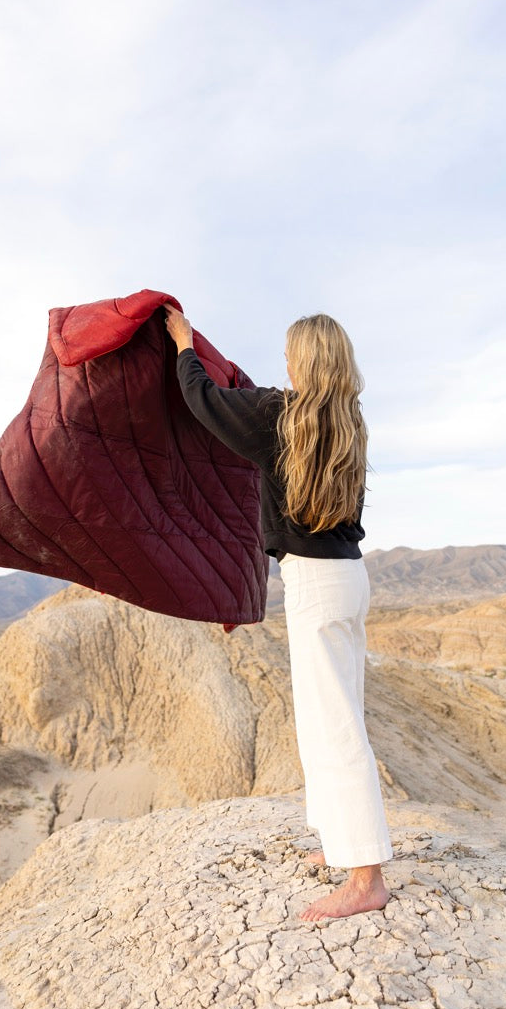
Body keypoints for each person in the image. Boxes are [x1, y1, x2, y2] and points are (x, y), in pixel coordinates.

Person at [164, 305, 392, 921]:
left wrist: (183, 345)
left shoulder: (279, 416)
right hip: (349, 578)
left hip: (317, 583)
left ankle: (365, 878)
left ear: (304, 361)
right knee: (330, 717)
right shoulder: (347, 420)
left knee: (333, 726)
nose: (283, 363)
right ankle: (340, 843)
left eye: (290, 353)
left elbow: (203, 401)